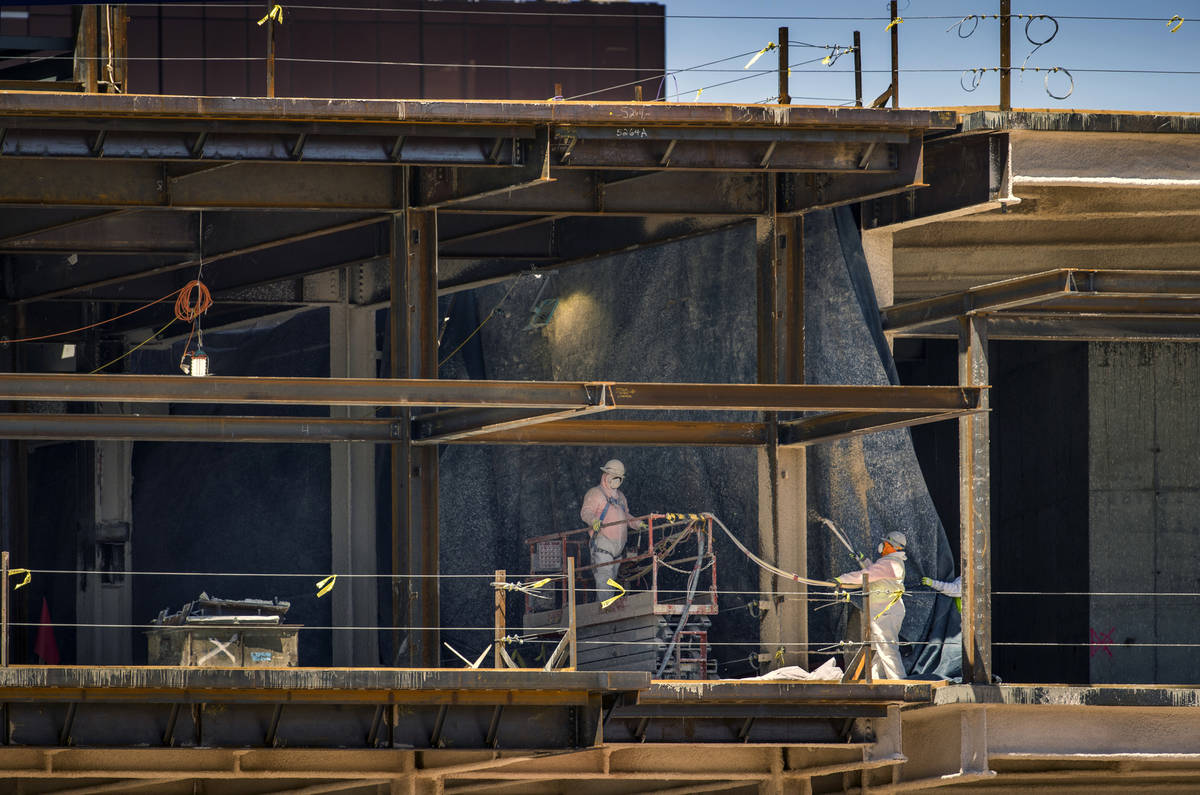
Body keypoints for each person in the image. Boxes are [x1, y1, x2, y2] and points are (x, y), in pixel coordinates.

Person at [835, 530, 909, 680]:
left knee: (887, 650)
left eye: (885, 543)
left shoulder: (890, 563)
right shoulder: (892, 562)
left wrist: (840, 579)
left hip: (886, 613)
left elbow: (866, 575)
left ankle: (901, 683)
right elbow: (875, 572)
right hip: (885, 613)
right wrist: (863, 560)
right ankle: (876, 682)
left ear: (891, 546)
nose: (881, 546)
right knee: (878, 651)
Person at [579, 459, 646, 604]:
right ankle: (605, 608)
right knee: (604, 576)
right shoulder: (595, 493)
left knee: (612, 579)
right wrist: (593, 521)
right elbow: (586, 512)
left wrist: (637, 523)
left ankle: (603, 607)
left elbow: (626, 516)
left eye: (619, 478)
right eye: (614, 476)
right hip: (603, 544)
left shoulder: (621, 497)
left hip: (618, 548)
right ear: (606, 475)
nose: (616, 480)